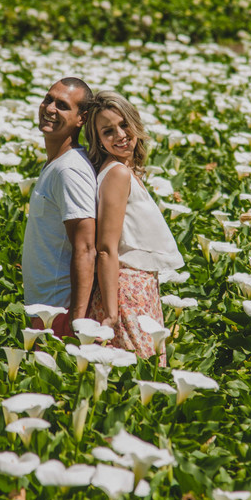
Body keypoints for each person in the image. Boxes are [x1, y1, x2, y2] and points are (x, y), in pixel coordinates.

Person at [84, 91, 183, 363]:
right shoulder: (117, 173)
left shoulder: (124, 170)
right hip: (126, 293)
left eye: (124, 124)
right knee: (141, 372)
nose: (120, 135)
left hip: (138, 290)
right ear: (99, 141)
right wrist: (111, 314)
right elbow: (106, 248)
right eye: (108, 131)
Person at [21, 78, 97, 338]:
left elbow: (86, 247)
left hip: (59, 313)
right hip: (45, 309)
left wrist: (76, 318)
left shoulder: (69, 170)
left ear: (81, 119)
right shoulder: (57, 163)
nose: (50, 108)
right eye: (48, 99)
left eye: (62, 105)